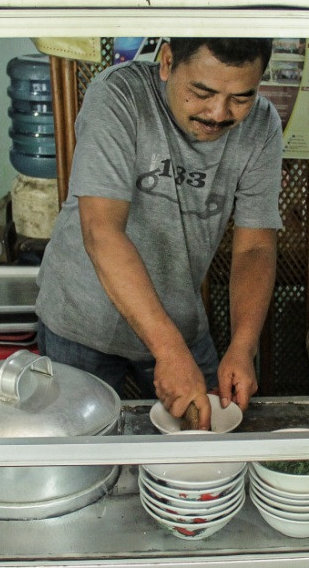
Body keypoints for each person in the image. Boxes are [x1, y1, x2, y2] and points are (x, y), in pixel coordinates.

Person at [35, 37, 282, 429]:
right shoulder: (119, 96)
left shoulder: (262, 125)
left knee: (206, 444)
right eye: (202, 92)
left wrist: (242, 346)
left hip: (179, 318)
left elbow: (254, 247)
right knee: (81, 454)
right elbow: (102, 231)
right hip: (82, 320)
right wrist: (168, 350)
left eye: (241, 97)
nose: (219, 113)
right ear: (167, 61)